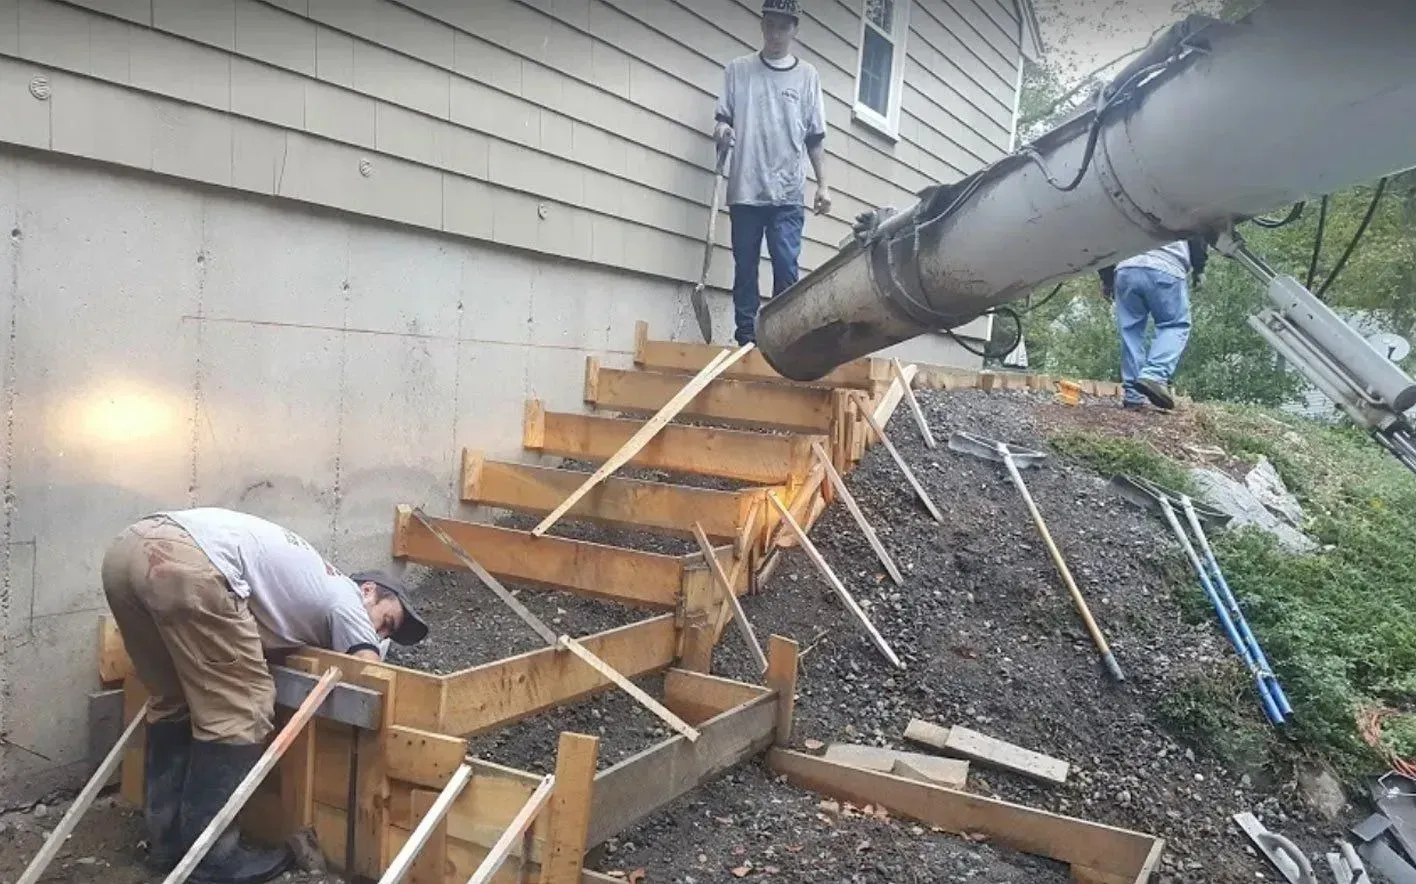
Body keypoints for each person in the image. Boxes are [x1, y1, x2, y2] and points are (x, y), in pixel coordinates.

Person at [100, 507, 429, 883]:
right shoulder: (348, 595)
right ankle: (212, 858)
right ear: (368, 591)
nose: (381, 635)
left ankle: (167, 844)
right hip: (190, 562)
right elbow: (370, 670)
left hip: (128, 551)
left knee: (173, 699)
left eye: (387, 635)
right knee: (243, 708)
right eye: (386, 622)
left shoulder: (305, 589)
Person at [713, 0, 831, 346]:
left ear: (795, 30)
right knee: (745, 268)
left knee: (786, 267)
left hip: (787, 192)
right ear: (762, 25)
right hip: (745, 188)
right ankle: (746, 339)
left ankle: (782, 340)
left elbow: (814, 138)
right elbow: (722, 121)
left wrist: (823, 185)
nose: (776, 33)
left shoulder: (807, 76)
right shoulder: (738, 71)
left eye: (784, 26)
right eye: (771, 25)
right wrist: (722, 132)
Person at [1099, 236, 1209, 410]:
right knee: (1174, 324)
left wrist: (1107, 279)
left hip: (1126, 267)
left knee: (1130, 331)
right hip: (1167, 266)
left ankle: (1133, 395)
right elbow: (1196, 232)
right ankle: (1155, 375)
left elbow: (1106, 235)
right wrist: (1199, 268)